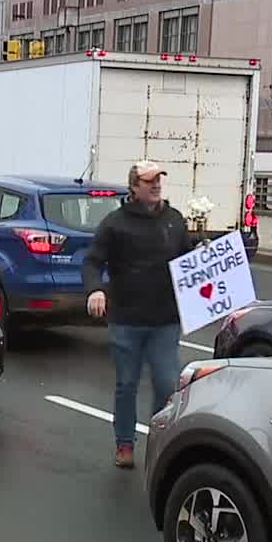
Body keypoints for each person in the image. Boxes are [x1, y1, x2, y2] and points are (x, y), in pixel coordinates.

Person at [81, 161, 192, 469]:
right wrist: (95, 290)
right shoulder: (115, 223)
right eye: (149, 181)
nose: (156, 185)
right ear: (134, 187)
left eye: (159, 179)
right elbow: (92, 262)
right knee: (127, 383)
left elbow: (190, 262)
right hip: (127, 319)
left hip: (165, 320)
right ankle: (125, 443)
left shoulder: (174, 220)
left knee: (166, 383)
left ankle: (160, 444)